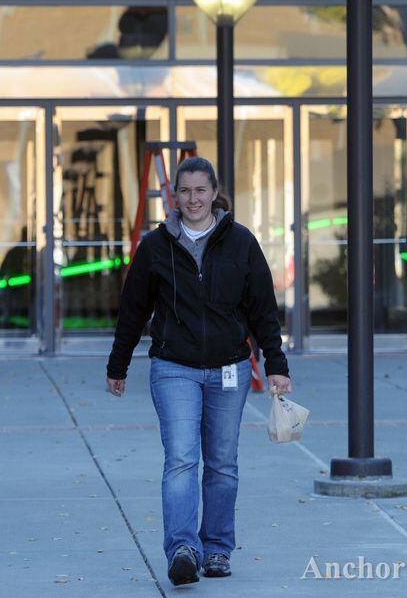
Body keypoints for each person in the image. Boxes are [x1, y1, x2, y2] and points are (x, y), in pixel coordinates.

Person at [105, 157, 292, 585]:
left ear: (214, 193)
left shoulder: (241, 243)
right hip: (174, 368)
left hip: (230, 369)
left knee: (223, 464)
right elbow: (133, 310)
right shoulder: (155, 246)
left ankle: (218, 549)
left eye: (200, 191)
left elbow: (263, 309)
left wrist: (275, 364)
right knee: (182, 459)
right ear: (175, 196)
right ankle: (183, 549)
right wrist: (119, 364)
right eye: (185, 191)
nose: (193, 199)